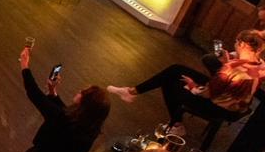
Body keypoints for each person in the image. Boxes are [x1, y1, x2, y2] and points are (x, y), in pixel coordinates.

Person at [108, 29, 265, 137]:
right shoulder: (261, 65)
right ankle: (131, 92)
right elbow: (240, 78)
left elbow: (207, 94)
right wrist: (229, 62)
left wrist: (192, 86)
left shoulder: (230, 68)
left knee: (169, 82)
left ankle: (177, 125)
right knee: (177, 69)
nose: (235, 45)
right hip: (236, 106)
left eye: (237, 42)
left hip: (217, 106)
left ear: (243, 45)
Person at [9, 45, 109, 152]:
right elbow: (64, 113)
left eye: (82, 93)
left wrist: (25, 66)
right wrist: (53, 91)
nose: (79, 91)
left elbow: (34, 93)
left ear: (84, 103)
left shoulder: (61, 118)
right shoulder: (92, 126)